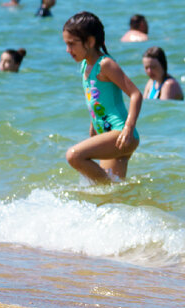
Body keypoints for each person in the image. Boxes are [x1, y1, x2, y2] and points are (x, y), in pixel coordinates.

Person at [61, 11, 143, 183]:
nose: (68, 50)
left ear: (90, 41)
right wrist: (94, 128)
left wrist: (128, 128)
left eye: (72, 44)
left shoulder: (105, 64)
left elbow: (136, 94)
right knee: (111, 194)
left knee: (74, 156)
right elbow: (98, 102)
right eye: (66, 44)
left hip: (120, 133)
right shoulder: (85, 65)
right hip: (107, 134)